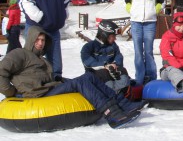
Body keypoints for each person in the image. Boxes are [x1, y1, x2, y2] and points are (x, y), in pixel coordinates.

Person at [0, 26, 145, 129]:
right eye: (37, 40)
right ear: (31, 40)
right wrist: (11, 92)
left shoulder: (41, 59)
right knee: (81, 82)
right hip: (38, 94)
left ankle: (122, 104)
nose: (40, 43)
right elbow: (1, 71)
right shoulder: (20, 54)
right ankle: (111, 115)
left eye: (43, 40)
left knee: (90, 77)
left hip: (49, 88)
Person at [124, 0, 165, 85]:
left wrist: (155, 11)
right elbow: (127, 1)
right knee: (138, 51)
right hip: (136, 22)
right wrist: (131, 11)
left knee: (148, 51)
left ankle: (151, 78)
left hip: (150, 23)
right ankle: (139, 79)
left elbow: (161, 1)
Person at [81, 20, 132, 96]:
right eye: (113, 36)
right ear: (104, 35)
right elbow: (88, 62)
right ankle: (113, 94)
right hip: (96, 77)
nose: (115, 39)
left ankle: (121, 93)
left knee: (122, 71)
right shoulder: (88, 47)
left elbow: (119, 57)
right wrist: (105, 65)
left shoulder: (113, 46)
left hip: (112, 75)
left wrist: (114, 65)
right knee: (104, 73)